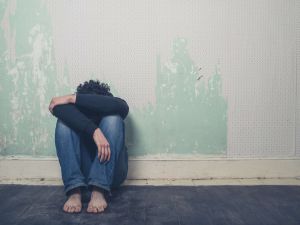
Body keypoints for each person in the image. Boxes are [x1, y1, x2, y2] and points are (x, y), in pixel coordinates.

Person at [48, 79, 129, 214]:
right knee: (64, 123)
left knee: (114, 119)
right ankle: (74, 191)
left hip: (113, 173)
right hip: (83, 176)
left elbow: (122, 106)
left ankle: (99, 190)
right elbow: (56, 107)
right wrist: (94, 131)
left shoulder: (113, 108)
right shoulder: (75, 112)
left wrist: (71, 98)